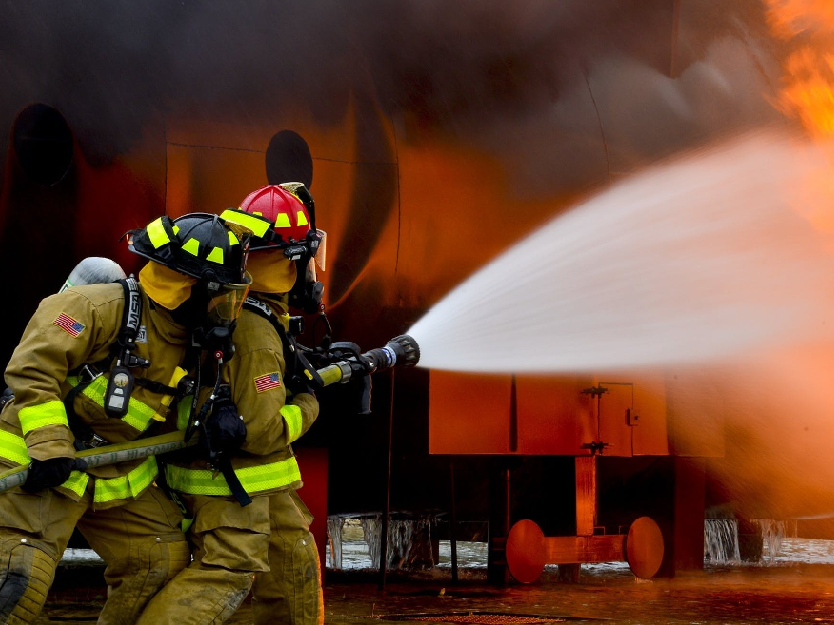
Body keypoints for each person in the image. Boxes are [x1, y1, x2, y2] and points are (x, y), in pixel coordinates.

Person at [0, 212, 251, 624]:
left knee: (157, 560)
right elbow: (33, 369)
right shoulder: (94, 307)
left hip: (113, 470)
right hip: (44, 462)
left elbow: (169, 403)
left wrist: (213, 412)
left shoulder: (191, 338)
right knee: (19, 580)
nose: (226, 307)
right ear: (191, 286)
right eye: (222, 294)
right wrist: (50, 445)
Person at [138, 184, 323, 624]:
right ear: (293, 259)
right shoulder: (256, 331)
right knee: (226, 574)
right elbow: (262, 431)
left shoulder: (242, 307)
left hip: (255, 481)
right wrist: (308, 404)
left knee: (293, 562)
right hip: (232, 481)